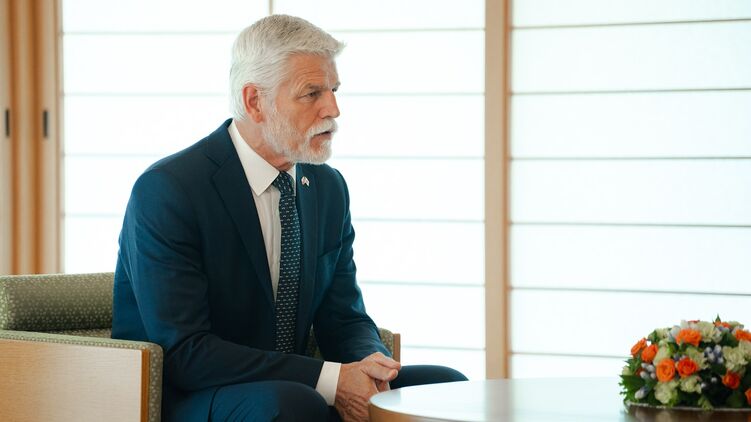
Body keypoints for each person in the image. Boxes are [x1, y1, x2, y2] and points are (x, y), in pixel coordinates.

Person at [112, 14, 467, 422]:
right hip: (193, 395)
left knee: (444, 387)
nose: (333, 109)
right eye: (312, 93)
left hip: (293, 389)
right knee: (294, 404)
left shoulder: (328, 187)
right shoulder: (169, 190)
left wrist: (370, 369)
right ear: (254, 102)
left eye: (333, 90)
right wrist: (332, 381)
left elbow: (343, 316)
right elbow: (186, 353)